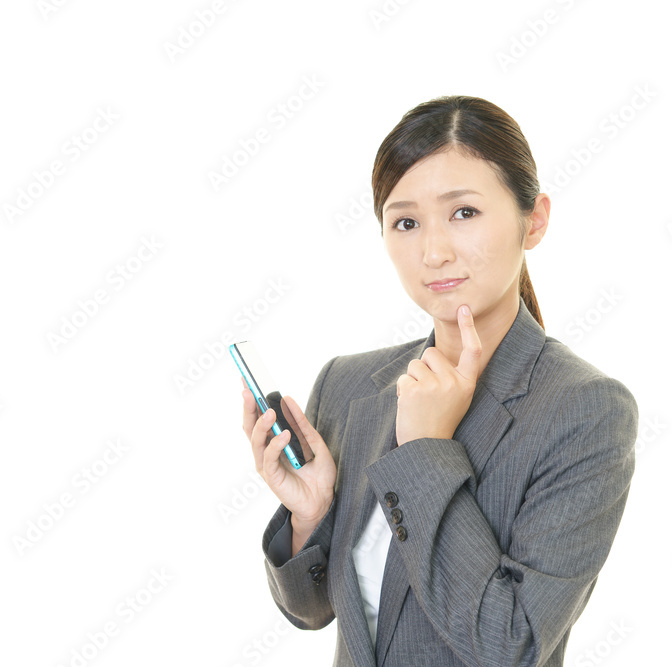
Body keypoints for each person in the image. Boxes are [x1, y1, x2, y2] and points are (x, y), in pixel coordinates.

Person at [239, 94, 638, 667]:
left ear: (534, 220)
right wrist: (310, 517)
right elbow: (313, 611)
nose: (433, 252)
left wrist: (425, 450)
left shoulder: (585, 410)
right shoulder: (349, 385)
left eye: (464, 213)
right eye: (406, 222)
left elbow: (509, 646)